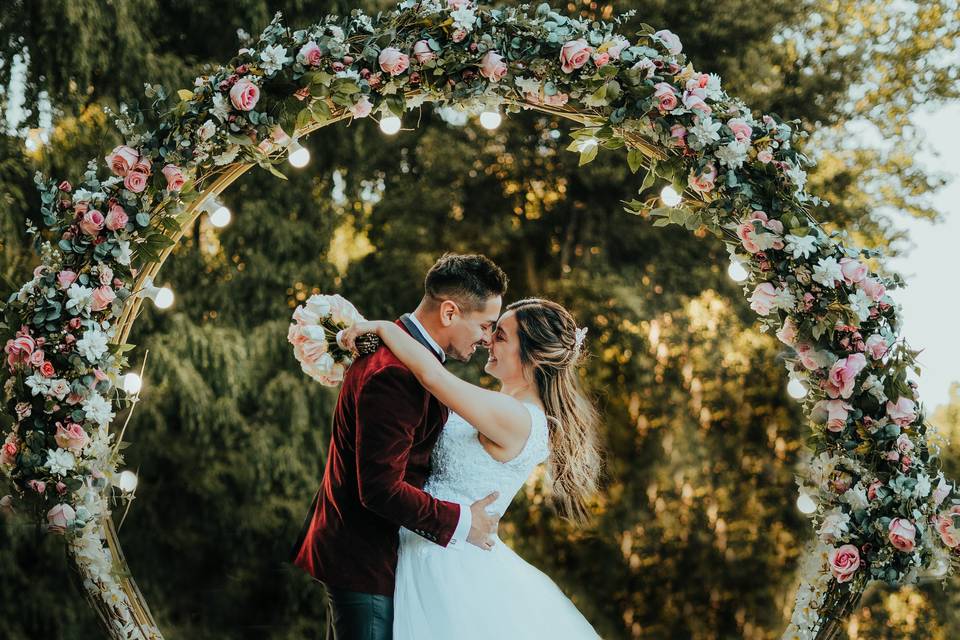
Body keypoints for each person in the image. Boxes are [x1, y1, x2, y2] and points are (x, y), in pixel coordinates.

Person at [339, 297, 603, 639]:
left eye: (502, 336)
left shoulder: (517, 418)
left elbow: (432, 376)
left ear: (534, 357)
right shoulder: (504, 406)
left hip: (445, 562)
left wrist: (386, 328)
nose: (488, 340)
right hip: (429, 539)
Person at [290, 253, 509, 640]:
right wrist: (462, 522)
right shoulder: (396, 374)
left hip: (363, 555)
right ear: (449, 313)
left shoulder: (398, 350)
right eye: (485, 325)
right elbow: (379, 488)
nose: (486, 338)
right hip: (365, 562)